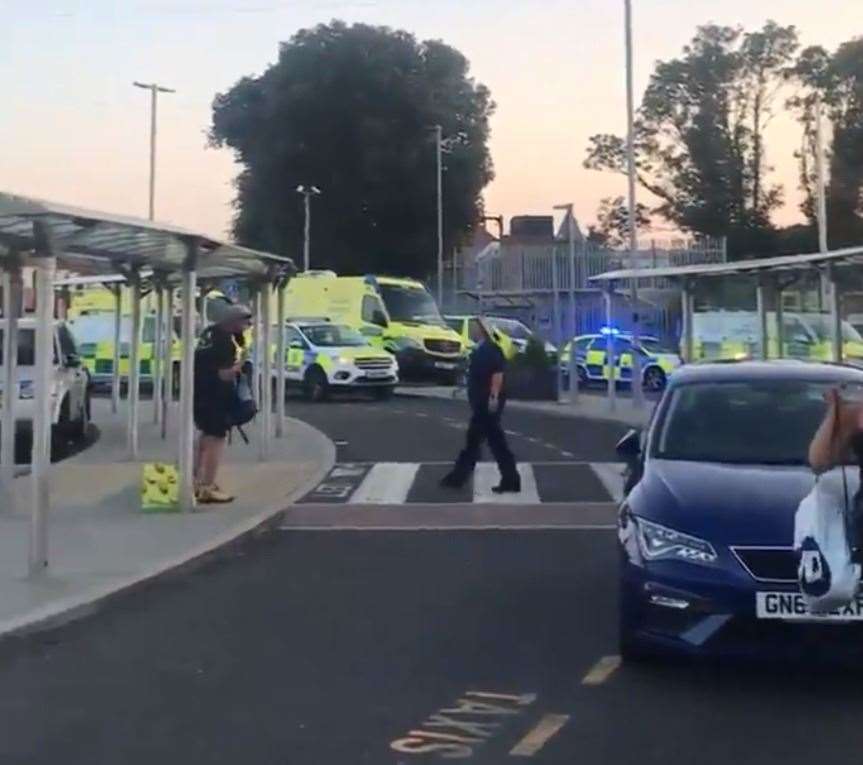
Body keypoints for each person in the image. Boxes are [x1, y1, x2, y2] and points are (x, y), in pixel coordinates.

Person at [441, 317, 520, 493]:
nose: (473, 331)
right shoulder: (480, 349)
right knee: (480, 442)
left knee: (489, 442)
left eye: (476, 328)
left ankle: (460, 478)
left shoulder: (492, 350)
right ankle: (459, 478)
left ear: (483, 331)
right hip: (481, 402)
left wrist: (494, 396)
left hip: (487, 404)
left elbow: (497, 374)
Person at [193, 302, 252, 504]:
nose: (247, 327)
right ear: (234, 321)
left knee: (205, 438)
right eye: (245, 323)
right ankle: (208, 486)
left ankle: (196, 481)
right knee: (216, 439)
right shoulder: (225, 342)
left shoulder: (209, 333)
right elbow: (224, 375)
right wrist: (240, 366)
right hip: (215, 396)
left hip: (199, 394)